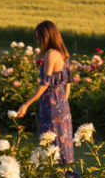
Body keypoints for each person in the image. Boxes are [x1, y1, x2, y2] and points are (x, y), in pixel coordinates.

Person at [15, 20, 75, 166]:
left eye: (39, 38)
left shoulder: (50, 54)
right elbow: (68, 83)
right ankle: (65, 175)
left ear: (46, 37)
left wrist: (26, 104)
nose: (38, 42)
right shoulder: (63, 54)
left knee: (50, 143)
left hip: (51, 105)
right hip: (62, 105)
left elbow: (45, 83)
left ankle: (53, 176)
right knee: (63, 143)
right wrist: (63, 103)